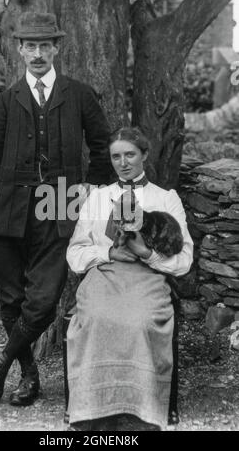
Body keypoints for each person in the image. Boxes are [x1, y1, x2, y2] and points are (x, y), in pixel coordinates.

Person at [0, 12, 112, 407]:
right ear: (19, 50)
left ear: (56, 48)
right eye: (29, 46)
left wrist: (91, 188)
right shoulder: (7, 99)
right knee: (11, 298)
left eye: (44, 45)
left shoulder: (78, 94)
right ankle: (28, 375)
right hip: (9, 210)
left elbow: (102, 146)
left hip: (61, 205)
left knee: (44, 300)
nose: (37, 53)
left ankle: (0, 363)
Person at [66, 127, 194, 431]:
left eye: (130, 155)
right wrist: (110, 252)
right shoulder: (97, 198)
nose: (123, 162)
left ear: (144, 155)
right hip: (106, 273)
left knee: (141, 320)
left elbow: (184, 259)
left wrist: (146, 254)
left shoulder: (166, 198)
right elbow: (75, 253)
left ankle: (142, 409)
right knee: (95, 317)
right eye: (116, 156)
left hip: (149, 277)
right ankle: (94, 411)